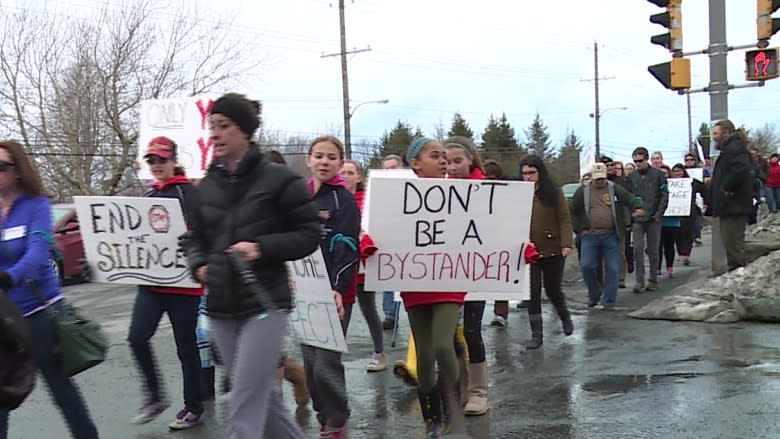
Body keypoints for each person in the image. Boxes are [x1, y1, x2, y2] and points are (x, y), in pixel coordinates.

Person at [185, 93, 320, 439]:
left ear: (244, 131)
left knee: (244, 399)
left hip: (265, 305)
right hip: (220, 307)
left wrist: (261, 248)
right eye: (211, 126)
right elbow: (192, 238)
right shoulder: (205, 185)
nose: (214, 134)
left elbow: (308, 234)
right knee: (265, 402)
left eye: (224, 126)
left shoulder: (278, 179)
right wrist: (199, 265)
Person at [0, 141, 99, 439]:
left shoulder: (37, 205)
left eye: (1, 166)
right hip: (4, 318)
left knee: (60, 387)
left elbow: (38, 249)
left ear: (17, 171)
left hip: (39, 311)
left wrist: (10, 277)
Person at [110, 137, 206, 430]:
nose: (157, 166)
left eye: (162, 160)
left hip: (183, 285)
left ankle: (194, 406)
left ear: (174, 160)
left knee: (186, 347)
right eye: (152, 161)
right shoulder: (148, 196)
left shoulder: (190, 193)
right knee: (137, 337)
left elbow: (203, 231)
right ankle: (155, 396)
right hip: (151, 284)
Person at [402, 137, 467, 437]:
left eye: (445, 156)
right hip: (414, 283)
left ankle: (453, 406)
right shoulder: (397, 198)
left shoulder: (464, 193)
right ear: (415, 163)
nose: (443, 161)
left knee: (443, 345)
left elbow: (488, 230)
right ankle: (432, 419)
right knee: (425, 356)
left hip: (449, 281)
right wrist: (369, 244)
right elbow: (377, 230)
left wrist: (519, 248)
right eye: (434, 156)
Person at [304, 136, 359, 438]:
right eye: (319, 156)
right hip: (302, 292)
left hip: (336, 292)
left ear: (339, 163)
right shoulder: (298, 196)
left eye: (331, 157)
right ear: (309, 160)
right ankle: (322, 415)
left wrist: (338, 286)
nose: (324, 162)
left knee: (326, 361)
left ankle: (338, 419)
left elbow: (347, 246)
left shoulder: (344, 200)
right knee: (311, 363)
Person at [444, 136, 489, 416]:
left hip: (479, 271)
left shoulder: (488, 190)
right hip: (447, 272)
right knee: (449, 334)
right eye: (446, 162)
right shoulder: (437, 191)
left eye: (458, 161)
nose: (452, 167)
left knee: (471, 330)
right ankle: (460, 388)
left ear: (471, 160)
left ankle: (479, 393)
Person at [570, 163, 644, 310]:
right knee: (587, 265)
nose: (600, 181)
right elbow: (572, 211)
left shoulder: (613, 188)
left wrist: (638, 207)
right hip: (589, 235)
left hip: (610, 234)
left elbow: (629, 199)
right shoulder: (582, 192)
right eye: (597, 179)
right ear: (591, 177)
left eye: (602, 178)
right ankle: (594, 292)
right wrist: (579, 229)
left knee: (613, 268)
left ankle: (609, 301)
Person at [519, 155, 574, 350]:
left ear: (540, 172)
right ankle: (537, 335)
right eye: (524, 173)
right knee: (531, 293)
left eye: (532, 173)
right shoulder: (517, 194)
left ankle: (564, 316)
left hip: (552, 248)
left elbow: (564, 218)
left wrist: (567, 242)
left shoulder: (553, 192)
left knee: (552, 289)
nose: (528, 177)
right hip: (528, 251)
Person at [339, 159, 387, 372]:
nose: (346, 176)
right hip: (342, 267)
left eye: (350, 172)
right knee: (342, 312)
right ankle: (335, 356)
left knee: (369, 310)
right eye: (343, 172)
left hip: (363, 268)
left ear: (359, 177)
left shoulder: (367, 202)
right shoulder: (333, 198)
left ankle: (379, 352)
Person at [709, 119, 752, 272]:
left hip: (734, 205)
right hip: (730, 205)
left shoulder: (734, 148)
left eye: (715, 133)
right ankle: (736, 272)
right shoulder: (730, 148)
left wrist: (727, 187)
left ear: (725, 132)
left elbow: (740, 169)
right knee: (730, 243)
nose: (713, 137)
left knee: (733, 244)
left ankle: (739, 275)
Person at [626, 147, 669, 293]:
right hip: (638, 219)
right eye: (635, 161)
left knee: (653, 250)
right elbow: (629, 197)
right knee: (637, 249)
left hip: (653, 218)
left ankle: (653, 280)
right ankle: (639, 281)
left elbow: (664, 195)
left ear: (646, 159)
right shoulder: (632, 177)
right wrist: (632, 213)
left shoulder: (658, 175)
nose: (638, 164)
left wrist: (658, 214)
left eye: (640, 160)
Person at [485, 160, 512, 327]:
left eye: (492, 178)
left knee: (501, 276)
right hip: (480, 239)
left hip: (500, 240)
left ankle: (501, 313)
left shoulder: (506, 193)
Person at [381, 154, 404, 330]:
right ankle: (390, 314)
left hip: (411, 239)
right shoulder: (380, 192)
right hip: (389, 240)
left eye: (393, 167)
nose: (390, 171)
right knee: (390, 278)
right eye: (386, 168)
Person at [671, 164, 708, 266]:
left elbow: (704, 189)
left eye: (679, 171)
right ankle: (681, 253)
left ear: (683, 171)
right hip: (674, 213)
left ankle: (686, 254)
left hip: (689, 212)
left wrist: (706, 202)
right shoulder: (670, 183)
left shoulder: (691, 182)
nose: (677, 173)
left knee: (687, 233)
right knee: (678, 234)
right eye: (675, 171)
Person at [656, 165, 680, 278]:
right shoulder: (655, 186)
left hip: (672, 220)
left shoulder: (677, 185)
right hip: (658, 220)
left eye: (665, 173)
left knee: (669, 245)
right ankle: (657, 267)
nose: (663, 175)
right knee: (657, 245)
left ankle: (670, 267)